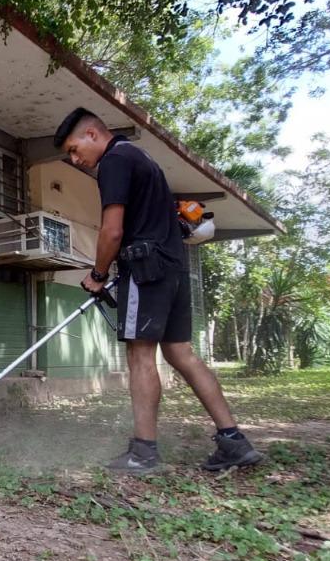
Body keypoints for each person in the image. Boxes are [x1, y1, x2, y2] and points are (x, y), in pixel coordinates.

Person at [53, 107, 263, 474]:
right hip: (173, 267)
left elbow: (112, 230)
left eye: (74, 149)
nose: (76, 159)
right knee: (181, 353)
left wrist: (98, 274)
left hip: (146, 270)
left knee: (140, 356)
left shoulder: (115, 161)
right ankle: (233, 441)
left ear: (92, 135)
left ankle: (143, 453)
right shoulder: (142, 158)